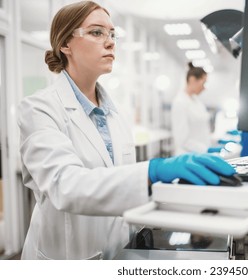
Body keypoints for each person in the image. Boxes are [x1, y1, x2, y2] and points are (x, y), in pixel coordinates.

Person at [17, 1, 235, 260]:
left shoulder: (113, 112)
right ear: (65, 44)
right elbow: (66, 185)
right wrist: (153, 171)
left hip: (119, 252)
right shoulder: (39, 109)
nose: (110, 42)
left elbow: (119, 185)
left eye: (112, 34)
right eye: (97, 32)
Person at [171, 62, 223, 155]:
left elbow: (202, 131)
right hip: (188, 157)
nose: (204, 88)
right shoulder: (180, 103)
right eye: (203, 83)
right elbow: (182, 140)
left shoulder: (197, 102)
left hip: (200, 155)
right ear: (192, 80)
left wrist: (216, 142)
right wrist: (206, 149)